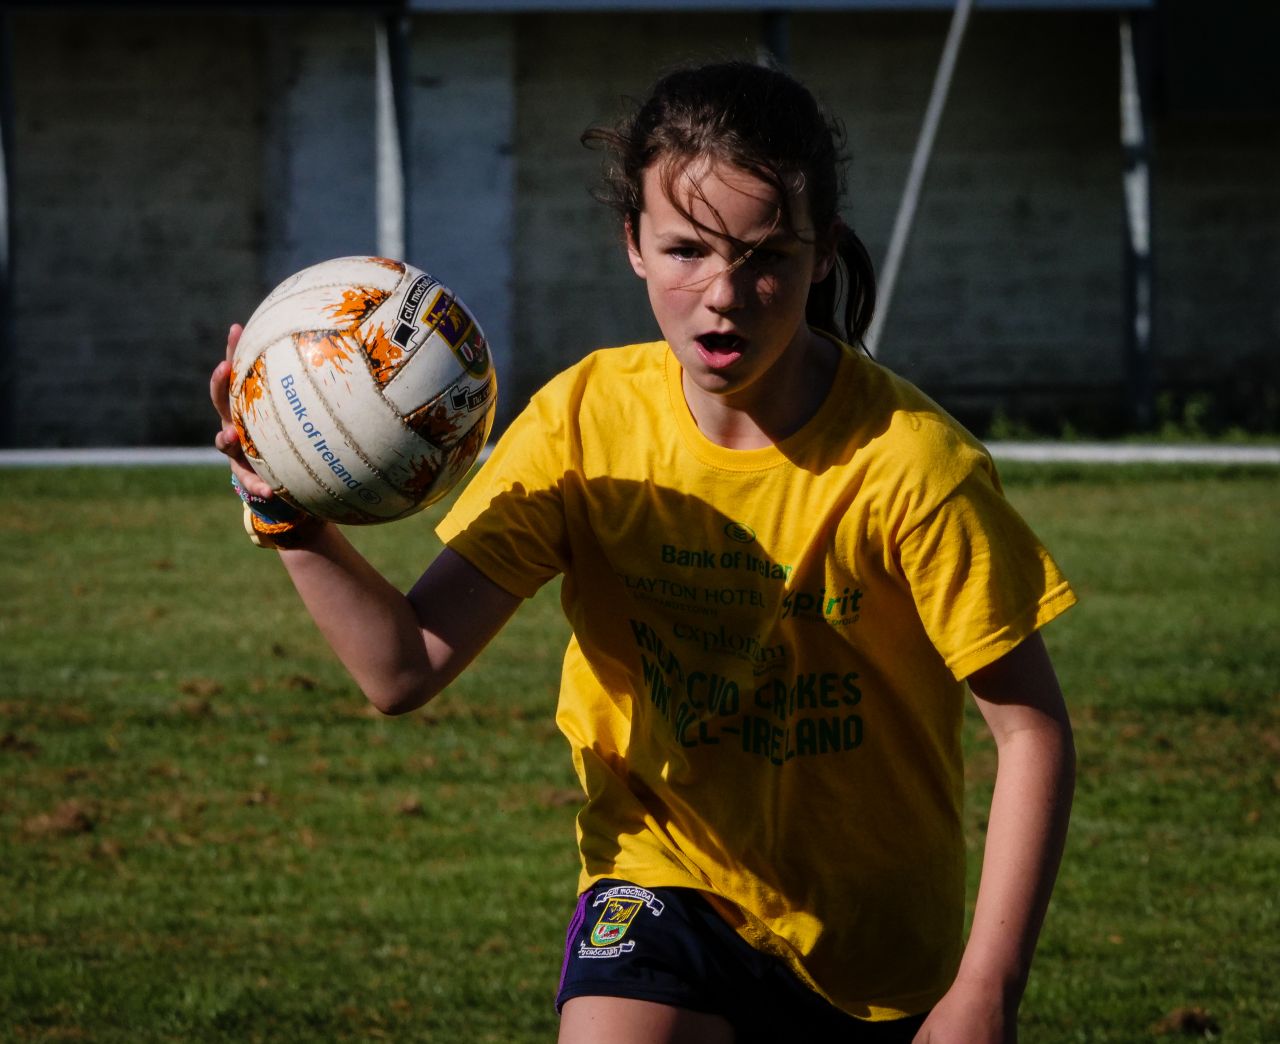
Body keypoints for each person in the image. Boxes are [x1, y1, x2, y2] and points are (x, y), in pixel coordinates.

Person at [211, 60, 1076, 1044]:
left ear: (820, 258)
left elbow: (1029, 731)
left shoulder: (913, 466)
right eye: (685, 250)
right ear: (630, 242)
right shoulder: (582, 426)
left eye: (765, 258)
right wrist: (285, 512)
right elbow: (402, 667)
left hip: (871, 944)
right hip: (659, 881)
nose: (723, 295)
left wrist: (984, 991)